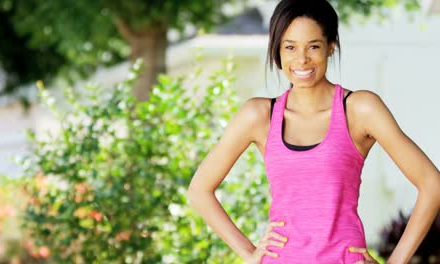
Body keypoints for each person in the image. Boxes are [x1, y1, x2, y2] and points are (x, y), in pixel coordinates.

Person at [186, 0, 440, 263]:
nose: (302, 59)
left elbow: (432, 183)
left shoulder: (360, 109)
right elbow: (200, 190)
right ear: (277, 50)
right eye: (290, 47)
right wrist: (249, 254)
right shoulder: (259, 115)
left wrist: (396, 261)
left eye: (313, 46)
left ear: (331, 47)